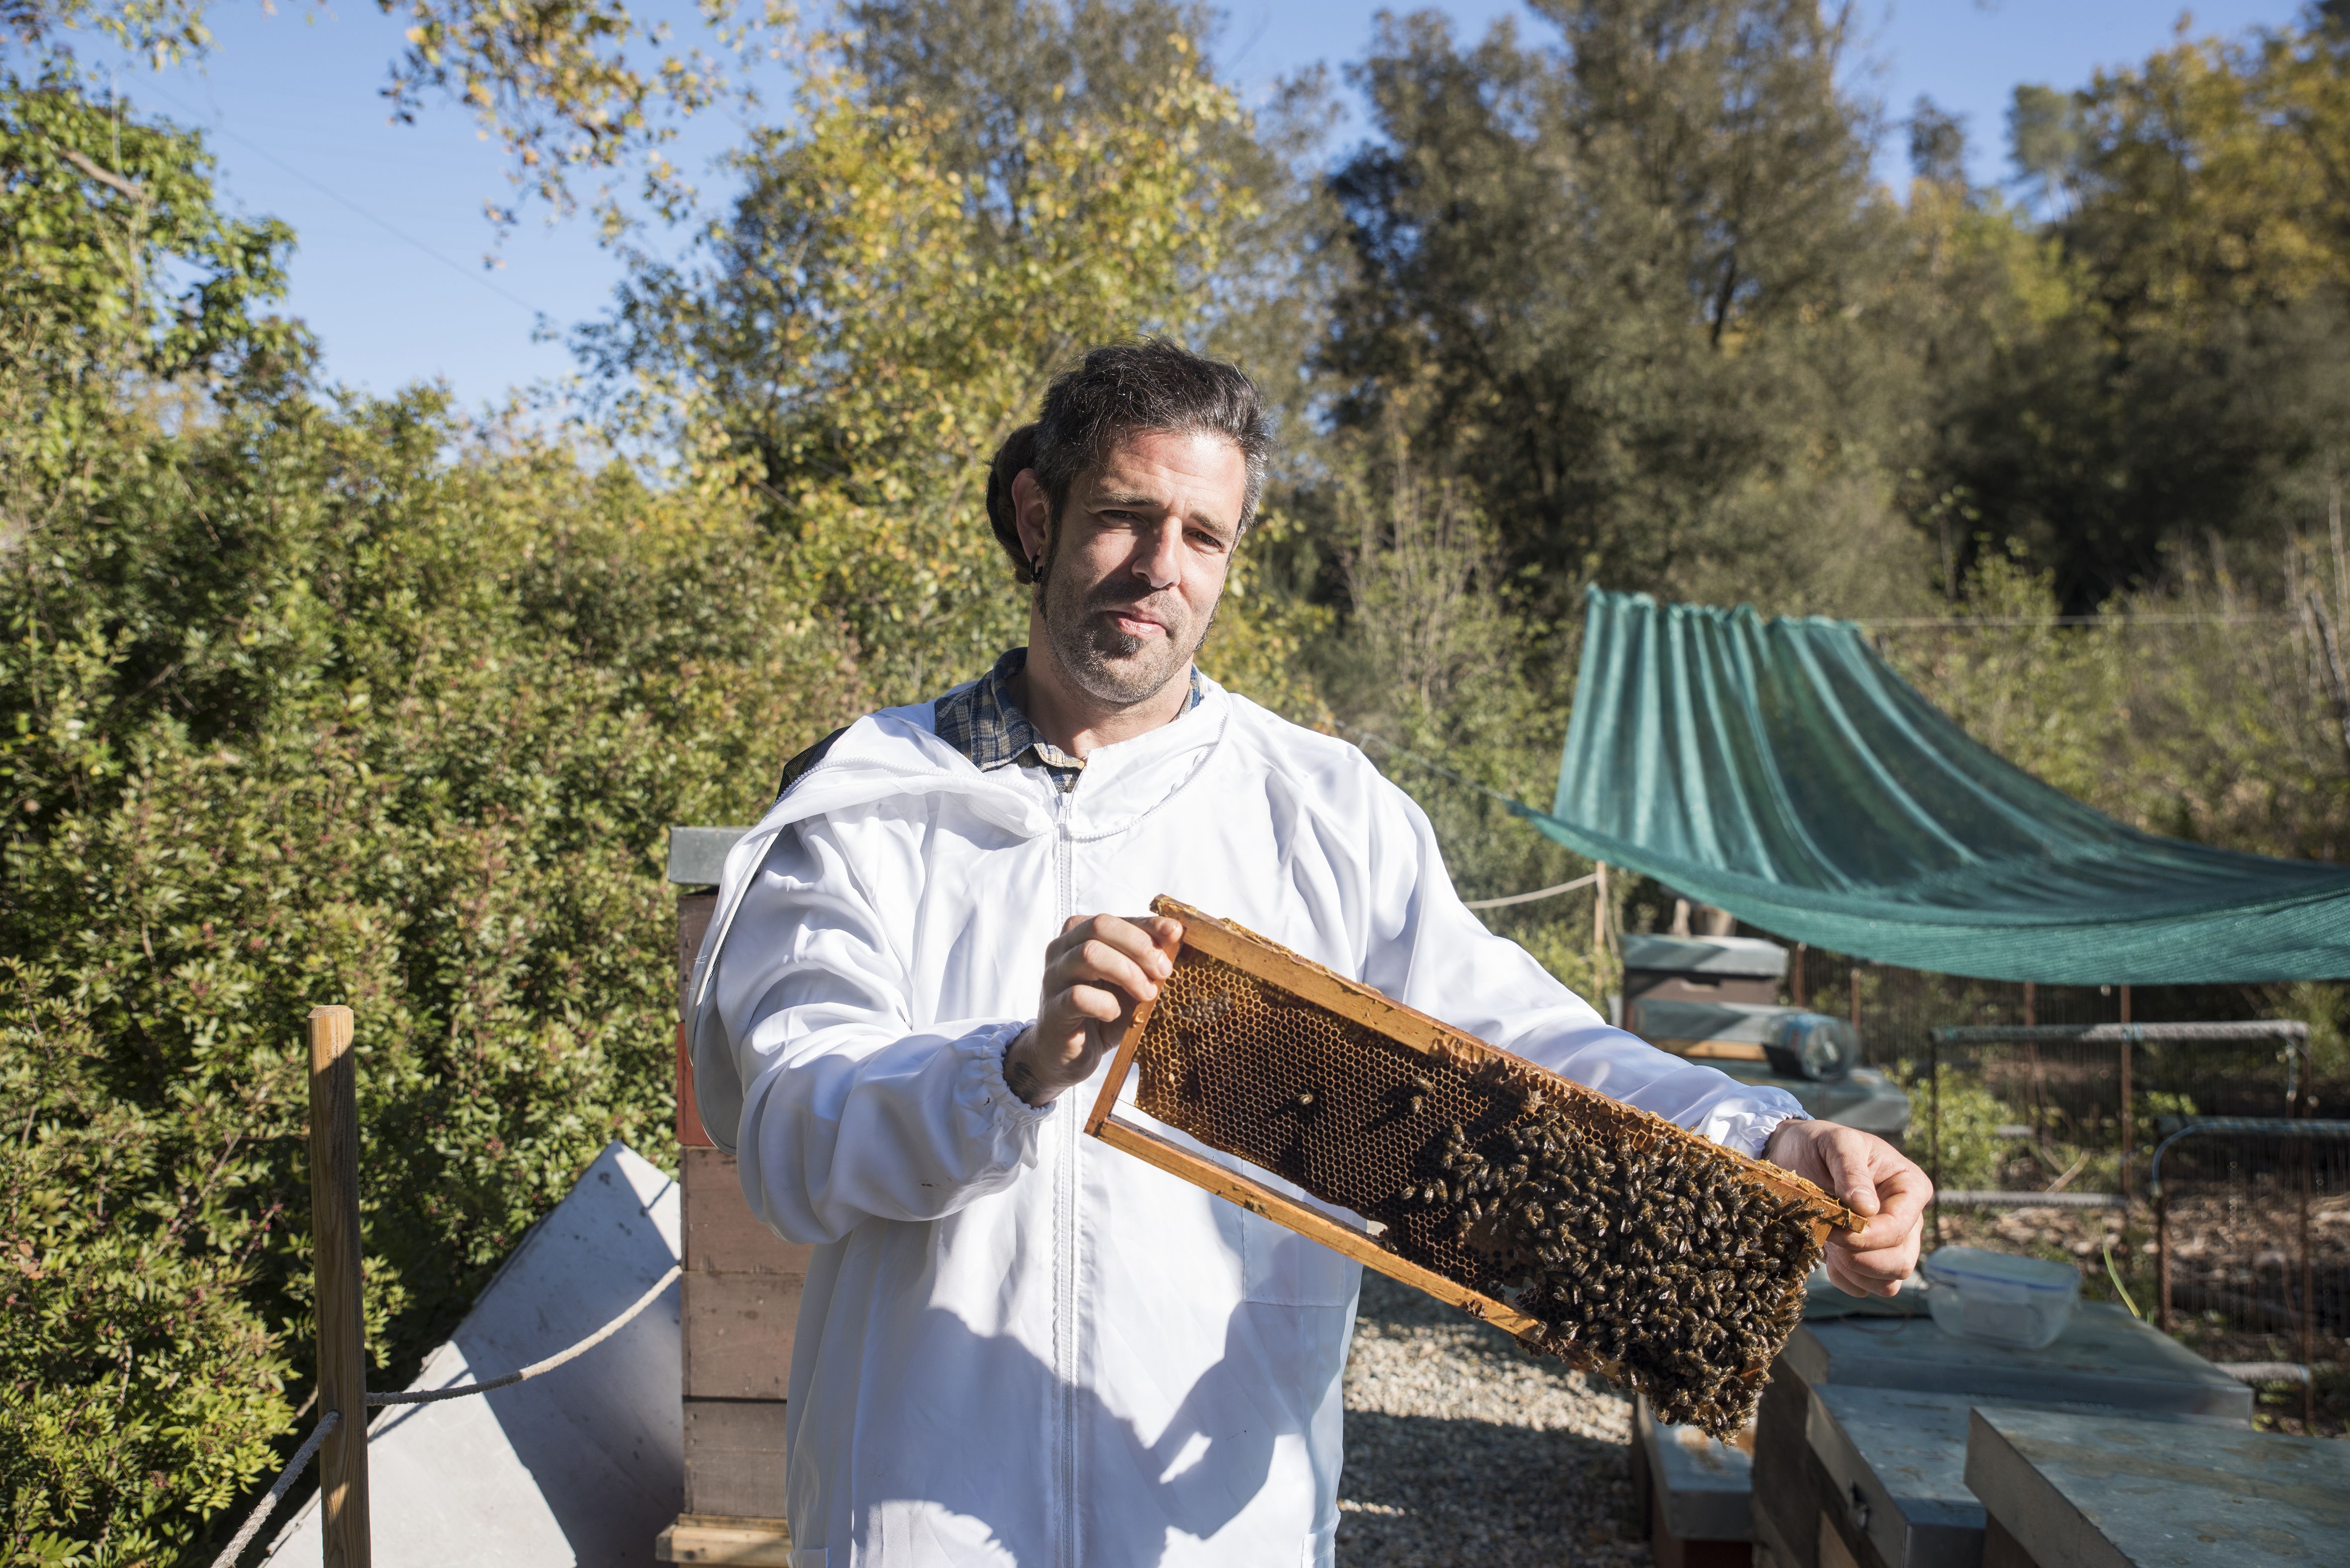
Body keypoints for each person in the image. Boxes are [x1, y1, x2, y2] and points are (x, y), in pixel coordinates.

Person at [688, 340, 1930, 1568]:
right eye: (1123, 516)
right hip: (916, 1508)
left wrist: (1765, 1142)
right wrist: (1011, 1066)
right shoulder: (868, 803)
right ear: (1035, 513)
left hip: (1215, 1529)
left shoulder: (1325, 809)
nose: (1159, 569)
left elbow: (1519, 1043)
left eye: (1203, 536)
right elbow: (796, 1133)